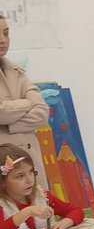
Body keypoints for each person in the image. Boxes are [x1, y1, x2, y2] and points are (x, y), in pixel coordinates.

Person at [0, 143, 85, 229]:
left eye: (31, 172)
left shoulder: (41, 196)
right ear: (2, 182)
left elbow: (76, 211)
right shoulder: (2, 205)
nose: (29, 180)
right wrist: (27, 212)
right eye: (20, 176)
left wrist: (64, 222)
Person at [0, 15, 49, 187]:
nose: (3, 40)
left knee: (38, 201)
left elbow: (42, 111)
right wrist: (27, 104)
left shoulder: (16, 71)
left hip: (29, 159)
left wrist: (8, 125)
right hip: (5, 164)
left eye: (6, 33)